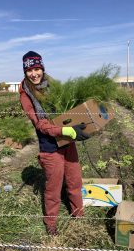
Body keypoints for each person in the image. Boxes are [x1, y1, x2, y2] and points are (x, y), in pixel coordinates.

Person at [19, 51, 89, 236]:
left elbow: (67, 109)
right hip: (49, 147)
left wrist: (77, 122)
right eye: (29, 70)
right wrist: (65, 130)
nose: (34, 73)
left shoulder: (53, 86)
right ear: (25, 72)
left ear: (42, 68)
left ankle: (78, 214)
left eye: (37, 68)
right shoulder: (26, 95)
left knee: (74, 180)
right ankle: (51, 223)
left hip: (67, 142)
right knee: (53, 187)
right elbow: (40, 124)